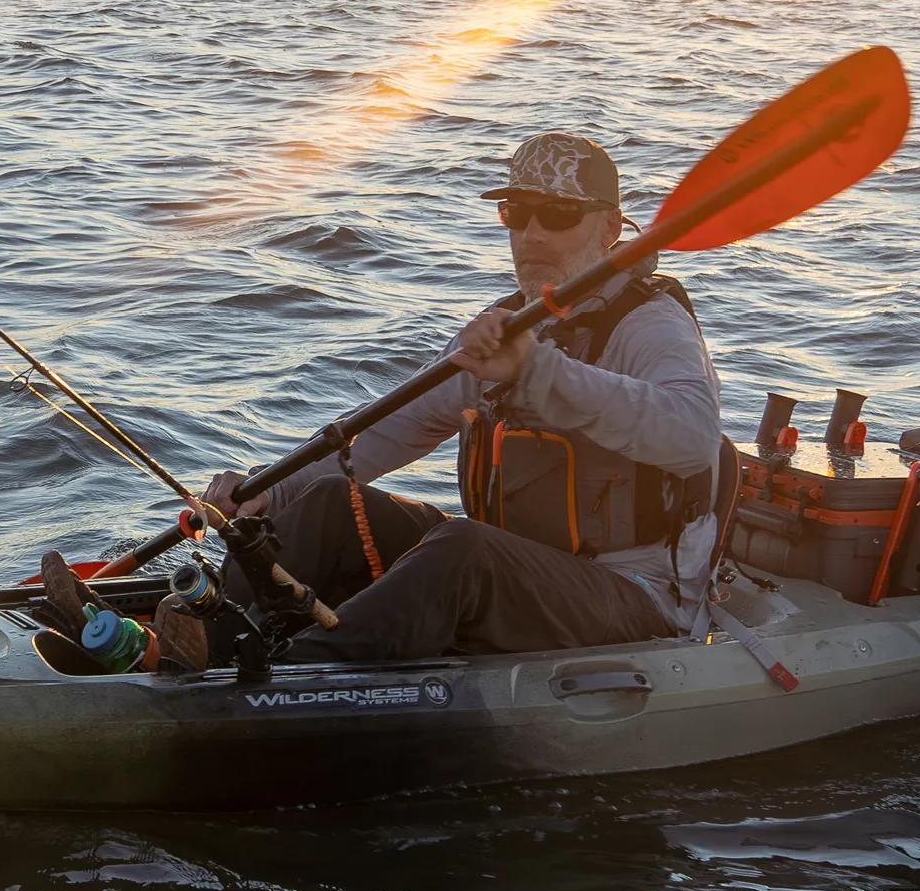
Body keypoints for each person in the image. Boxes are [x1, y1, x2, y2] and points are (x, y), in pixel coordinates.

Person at [180, 130, 724, 668]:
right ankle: (205, 638)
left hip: (634, 594)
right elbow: (385, 431)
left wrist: (538, 370)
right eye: (517, 213)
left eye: (558, 214)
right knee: (327, 500)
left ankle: (281, 677)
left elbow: (694, 439)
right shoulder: (509, 327)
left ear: (609, 227)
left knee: (464, 549)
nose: (532, 235)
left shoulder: (650, 324)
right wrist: (269, 490)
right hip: (518, 569)